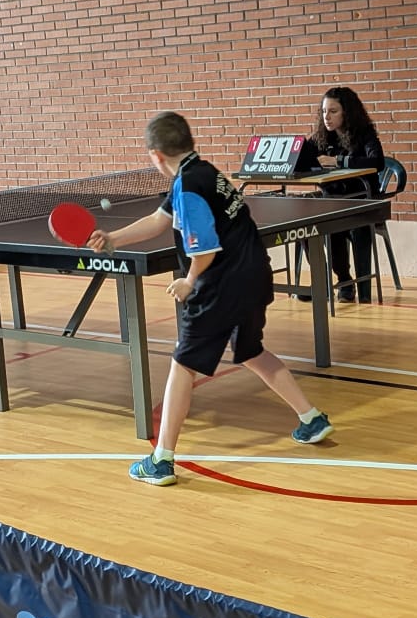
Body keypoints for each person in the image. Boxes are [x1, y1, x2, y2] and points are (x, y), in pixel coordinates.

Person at [88, 111, 334, 487]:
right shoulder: (202, 172)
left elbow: (204, 249)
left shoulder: (188, 186)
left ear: (155, 155)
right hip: (254, 274)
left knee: (183, 364)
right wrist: (114, 238)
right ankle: (311, 418)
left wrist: (189, 281)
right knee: (251, 350)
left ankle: (161, 460)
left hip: (221, 285)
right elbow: (159, 220)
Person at [300, 86, 385, 303]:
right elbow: (300, 155)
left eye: (333, 111)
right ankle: (323, 281)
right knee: (302, 222)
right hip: (332, 199)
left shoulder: (364, 133)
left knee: (332, 223)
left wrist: (338, 161)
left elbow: (377, 162)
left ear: (347, 112)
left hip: (361, 201)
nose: (326, 117)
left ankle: (345, 283)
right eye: (323, 112)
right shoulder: (322, 137)